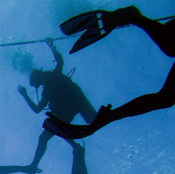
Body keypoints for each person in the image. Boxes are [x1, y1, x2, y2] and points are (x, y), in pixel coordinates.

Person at [0, 39, 95, 174]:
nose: (41, 82)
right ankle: (73, 146)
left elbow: (37, 109)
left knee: (47, 135)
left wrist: (25, 95)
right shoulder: (51, 82)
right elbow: (60, 61)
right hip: (75, 104)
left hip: (72, 106)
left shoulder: (51, 82)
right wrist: (52, 46)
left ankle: (44, 160)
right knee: (86, 122)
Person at [44, 6, 175, 139]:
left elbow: (165, 99)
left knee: (167, 97)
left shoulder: (52, 79)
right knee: (170, 49)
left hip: (76, 102)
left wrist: (110, 117)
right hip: (74, 102)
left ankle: (133, 17)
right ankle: (133, 17)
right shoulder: (51, 81)